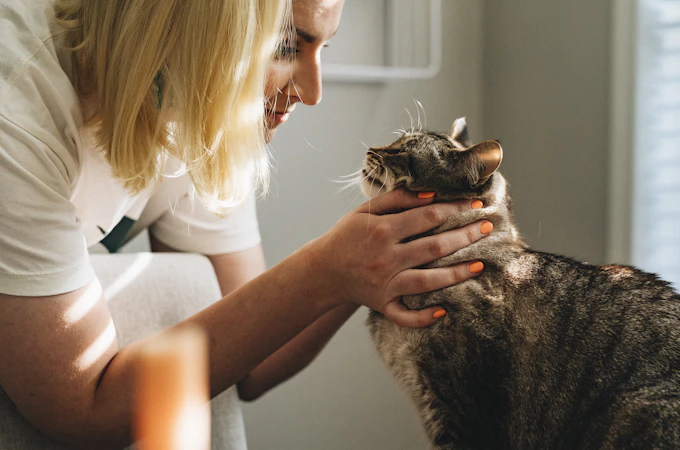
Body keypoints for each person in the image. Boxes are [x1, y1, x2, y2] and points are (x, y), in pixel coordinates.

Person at [0, 0, 492, 448]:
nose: (313, 92)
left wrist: (372, 261)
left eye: (321, 47)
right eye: (284, 47)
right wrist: (330, 269)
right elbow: (80, 408)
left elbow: (250, 363)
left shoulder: (205, 99)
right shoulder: (17, 105)